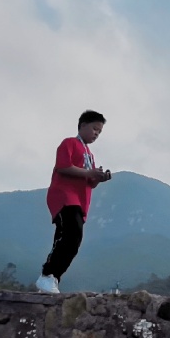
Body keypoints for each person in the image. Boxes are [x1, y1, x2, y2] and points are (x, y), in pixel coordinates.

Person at [36, 110, 111, 294]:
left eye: (99, 132)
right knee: (71, 235)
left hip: (79, 201)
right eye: (94, 129)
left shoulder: (89, 155)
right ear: (83, 125)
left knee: (71, 239)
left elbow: (90, 182)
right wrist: (89, 173)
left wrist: (99, 178)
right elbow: (63, 166)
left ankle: (52, 278)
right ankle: (47, 275)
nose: (96, 134)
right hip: (64, 196)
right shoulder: (69, 143)